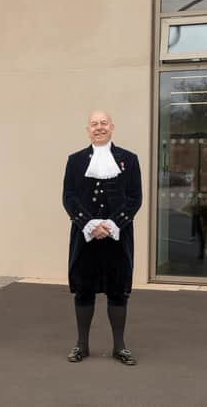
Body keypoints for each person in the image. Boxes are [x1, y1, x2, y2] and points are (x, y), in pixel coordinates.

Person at [62, 110, 142, 365]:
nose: (99, 127)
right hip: (85, 237)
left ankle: (120, 347)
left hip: (118, 237)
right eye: (94, 124)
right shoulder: (74, 160)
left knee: (118, 291)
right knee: (83, 290)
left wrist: (112, 224)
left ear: (112, 127)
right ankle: (81, 345)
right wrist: (89, 224)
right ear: (88, 130)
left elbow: (134, 198)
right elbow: (69, 197)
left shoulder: (129, 159)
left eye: (103, 123)